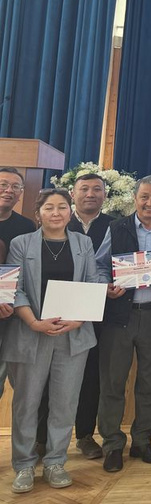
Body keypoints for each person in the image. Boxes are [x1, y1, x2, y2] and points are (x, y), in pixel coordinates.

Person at [2, 189, 102, 493]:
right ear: (38, 213)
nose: (56, 212)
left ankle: (56, 461)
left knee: (64, 402)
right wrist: (33, 322)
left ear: (70, 213)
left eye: (61, 207)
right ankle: (23, 464)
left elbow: (93, 281)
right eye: (49, 207)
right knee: (27, 403)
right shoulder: (21, 243)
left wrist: (79, 319)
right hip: (31, 333)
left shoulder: (83, 243)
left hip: (73, 335)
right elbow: (15, 288)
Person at [92, 175, 151, 472]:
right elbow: (100, 265)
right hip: (119, 316)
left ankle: (143, 441)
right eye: (144, 196)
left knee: (150, 383)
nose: (149, 203)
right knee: (112, 383)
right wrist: (105, 286)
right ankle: (112, 444)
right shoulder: (116, 227)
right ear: (135, 198)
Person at [47, 172, 114, 461]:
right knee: (50, 375)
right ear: (72, 194)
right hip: (56, 312)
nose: (90, 194)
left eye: (97, 189)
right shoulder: (58, 221)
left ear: (105, 195)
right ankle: (42, 439)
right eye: (84, 189)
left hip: (99, 314)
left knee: (91, 375)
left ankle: (85, 435)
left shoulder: (115, 226)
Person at [0, 168, 34, 404]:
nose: (8, 190)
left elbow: (28, 273)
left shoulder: (26, 227)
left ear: (21, 193)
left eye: (15, 187)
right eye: (3, 184)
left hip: (9, 314)